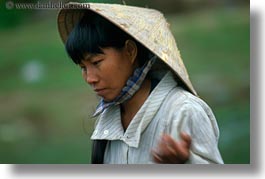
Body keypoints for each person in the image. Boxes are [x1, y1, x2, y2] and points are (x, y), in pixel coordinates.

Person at [57, 2, 224, 164]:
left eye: (96, 62)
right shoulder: (109, 120)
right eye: (82, 67)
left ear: (130, 51)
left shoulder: (183, 112)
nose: (89, 78)